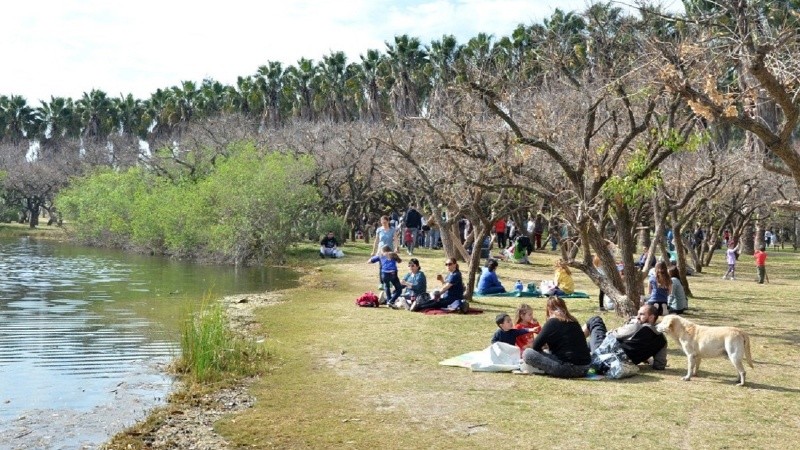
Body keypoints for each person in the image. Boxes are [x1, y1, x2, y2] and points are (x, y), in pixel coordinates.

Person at [522, 296, 591, 378]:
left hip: (569, 368)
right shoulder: (574, 321)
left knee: (528, 353)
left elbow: (535, 346)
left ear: (549, 309)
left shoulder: (552, 322)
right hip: (586, 367)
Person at [584, 304, 667, 370]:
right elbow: (659, 365)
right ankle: (576, 348)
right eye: (638, 314)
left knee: (595, 320)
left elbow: (611, 336)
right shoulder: (662, 341)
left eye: (641, 314)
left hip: (602, 358)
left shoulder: (637, 326)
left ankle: (575, 343)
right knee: (589, 344)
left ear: (651, 317)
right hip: (618, 366)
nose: (637, 317)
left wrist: (627, 325)